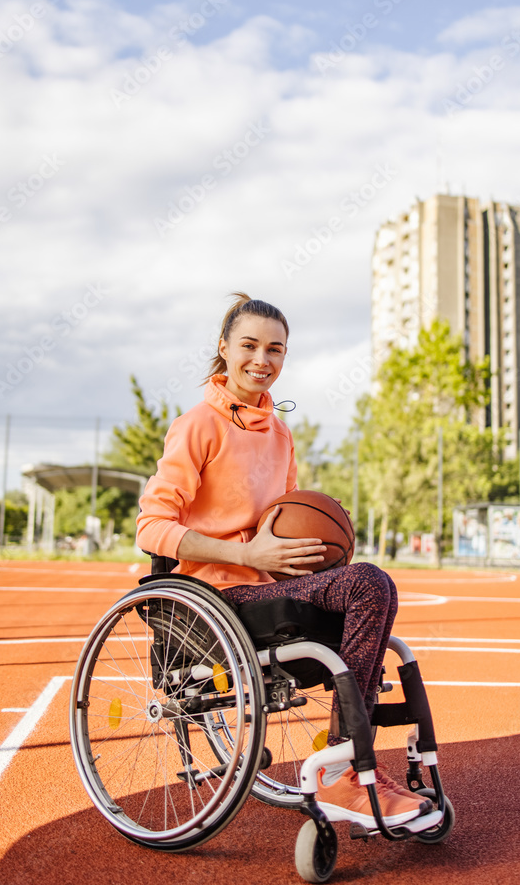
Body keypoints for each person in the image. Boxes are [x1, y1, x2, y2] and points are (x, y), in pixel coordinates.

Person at [137, 292, 430, 829]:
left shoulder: (280, 433)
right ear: (223, 349)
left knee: (368, 584)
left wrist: (312, 555)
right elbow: (151, 527)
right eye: (248, 345)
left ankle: (348, 765)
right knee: (368, 585)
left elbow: (282, 519)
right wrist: (245, 553)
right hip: (216, 598)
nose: (261, 360)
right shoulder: (198, 424)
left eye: (276, 349)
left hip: (269, 588)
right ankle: (345, 774)